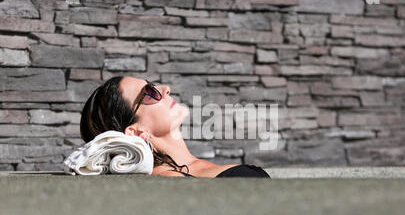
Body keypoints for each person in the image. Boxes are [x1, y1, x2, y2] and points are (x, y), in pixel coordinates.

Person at [80, 76, 270, 178]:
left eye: (152, 85)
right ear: (137, 131)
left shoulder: (184, 173)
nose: (165, 89)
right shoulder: (168, 180)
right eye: (149, 93)